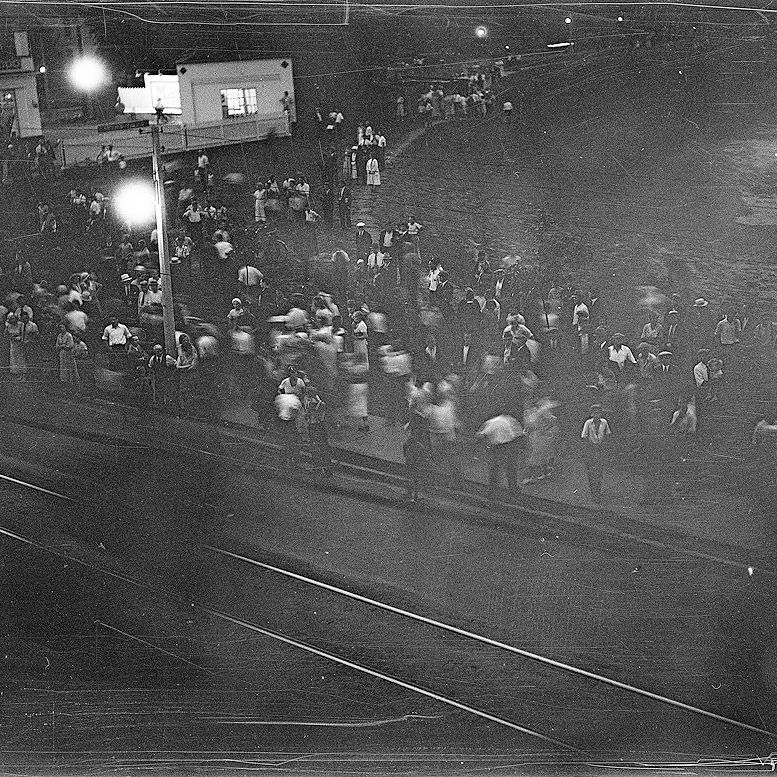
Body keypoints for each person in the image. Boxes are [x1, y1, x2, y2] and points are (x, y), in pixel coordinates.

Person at [477, 413, 524, 491]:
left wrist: (485, 442)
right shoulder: (510, 420)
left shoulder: (491, 422)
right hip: (511, 444)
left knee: (495, 467)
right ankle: (513, 487)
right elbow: (519, 434)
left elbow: (481, 435)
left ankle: (493, 488)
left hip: (497, 447)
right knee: (511, 467)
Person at [580, 404, 611, 502]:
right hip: (591, 450)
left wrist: (604, 447)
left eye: (598, 413)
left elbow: (607, 434)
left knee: (599, 472)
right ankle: (594, 492)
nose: (596, 415)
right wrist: (590, 448)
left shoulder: (604, 422)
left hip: (600, 450)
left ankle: (598, 491)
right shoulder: (588, 423)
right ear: (591, 414)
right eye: (595, 413)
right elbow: (584, 437)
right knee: (592, 472)